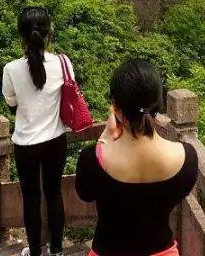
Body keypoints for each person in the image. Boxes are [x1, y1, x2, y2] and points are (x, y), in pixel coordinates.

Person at [75, 59, 196, 256]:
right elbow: (181, 192)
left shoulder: (93, 159)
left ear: (115, 106)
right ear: (158, 103)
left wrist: (103, 140)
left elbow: (85, 194)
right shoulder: (187, 157)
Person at [2, 7, 74, 256]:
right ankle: (56, 251)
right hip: (56, 140)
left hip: (26, 144)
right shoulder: (63, 63)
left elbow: (11, 101)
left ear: (21, 36)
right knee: (54, 193)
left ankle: (34, 252)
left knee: (31, 198)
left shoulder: (11, 69)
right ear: (48, 33)